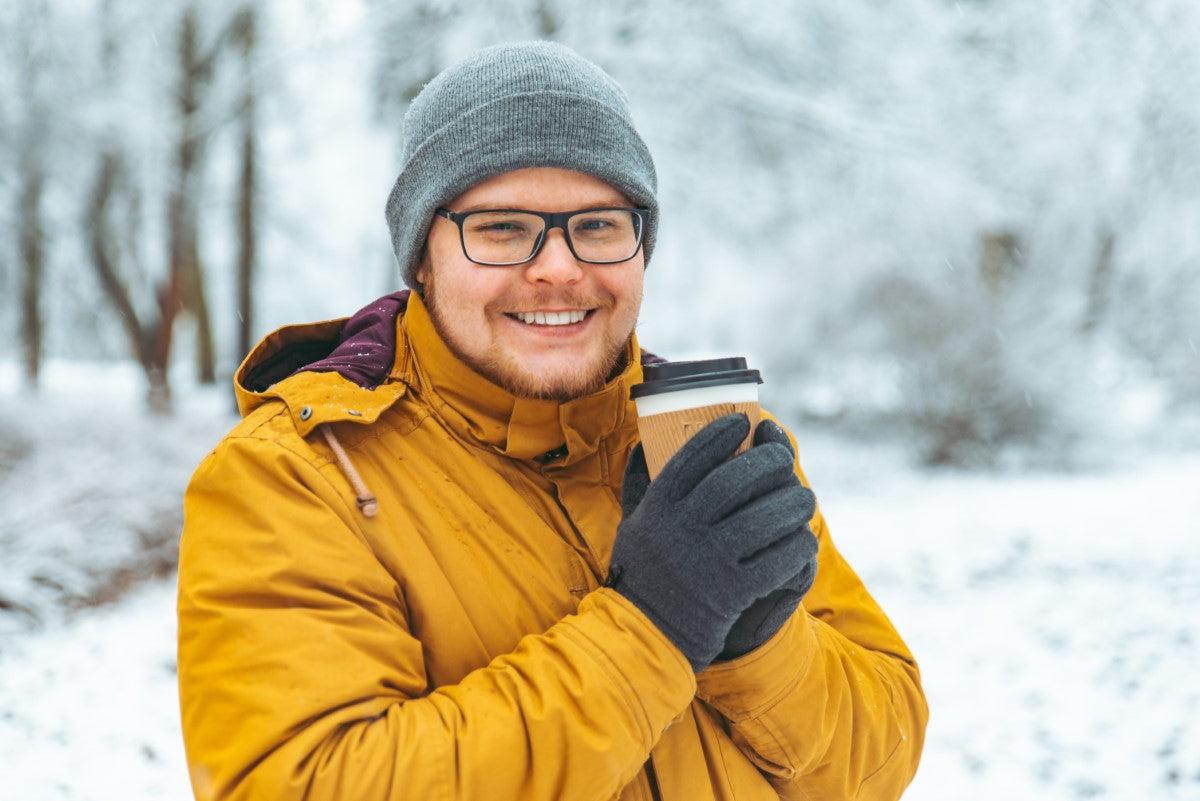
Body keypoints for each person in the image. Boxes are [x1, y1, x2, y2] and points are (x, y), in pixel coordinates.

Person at [177, 41, 928, 801]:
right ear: (422, 259)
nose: (559, 268)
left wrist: (761, 646)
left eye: (599, 225)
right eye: (502, 228)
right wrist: (652, 625)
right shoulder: (296, 477)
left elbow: (881, 758)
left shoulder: (706, 444)